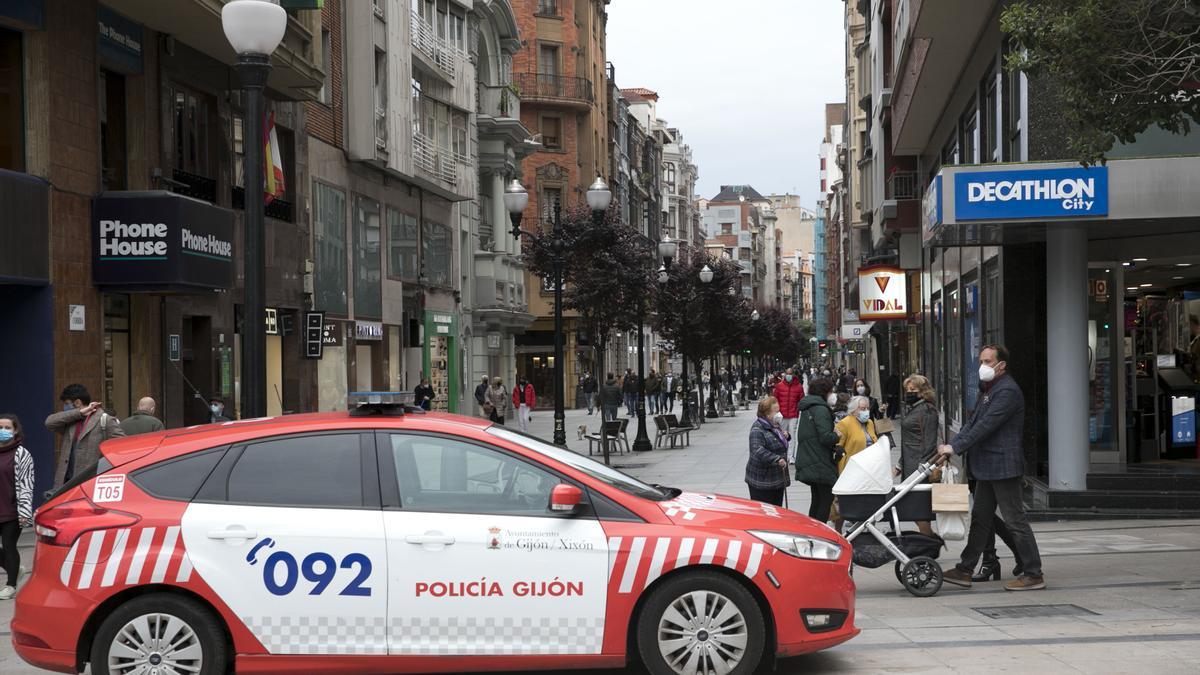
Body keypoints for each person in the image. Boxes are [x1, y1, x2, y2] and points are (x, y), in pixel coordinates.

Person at [938, 344, 1046, 591]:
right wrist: (952, 445)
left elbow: (986, 426)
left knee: (1015, 520)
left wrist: (956, 448)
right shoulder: (989, 389)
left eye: (988, 361)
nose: (982, 366)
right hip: (987, 465)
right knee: (980, 518)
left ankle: (1033, 572)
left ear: (1001, 365)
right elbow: (972, 422)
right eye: (981, 361)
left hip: (1003, 465)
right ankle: (965, 569)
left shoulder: (1007, 391)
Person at [45, 384, 125, 486]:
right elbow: (49, 422)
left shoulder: (104, 420)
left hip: (90, 482)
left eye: (67, 404)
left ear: (77, 402)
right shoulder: (70, 420)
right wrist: (79, 413)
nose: (64, 407)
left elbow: (122, 445)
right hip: (66, 483)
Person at [793, 378, 844, 523]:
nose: (832, 394)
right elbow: (825, 437)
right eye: (830, 391)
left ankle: (811, 529)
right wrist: (837, 435)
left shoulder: (808, 407)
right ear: (825, 392)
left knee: (817, 499)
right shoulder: (821, 409)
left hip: (810, 458)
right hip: (819, 460)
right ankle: (819, 531)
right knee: (825, 500)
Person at [898, 376, 940, 537]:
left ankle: (930, 542)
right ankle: (931, 541)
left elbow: (930, 441)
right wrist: (900, 464)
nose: (909, 393)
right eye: (907, 389)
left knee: (917, 509)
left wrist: (923, 468)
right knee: (914, 508)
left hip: (919, 467)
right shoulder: (915, 408)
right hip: (910, 464)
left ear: (923, 391)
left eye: (913, 390)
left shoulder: (927, 410)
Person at [832, 395, 879, 532]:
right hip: (851, 468)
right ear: (853, 410)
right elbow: (837, 446)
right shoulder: (845, 423)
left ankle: (868, 531)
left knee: (868, 501)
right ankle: (838, 531)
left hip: (869, 468)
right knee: (845, 502)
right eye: (862, 408)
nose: (866, 411)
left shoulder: (870, 423)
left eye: (867, 408)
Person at [0, 414, 34, 600]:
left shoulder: (21, 454)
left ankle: (11, 585)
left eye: (7, 428)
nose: (3, 431)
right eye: (0, 427)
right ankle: (15, 568)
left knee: (9, 545)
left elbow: (27, 484)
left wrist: (25, 512)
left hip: (13, 510)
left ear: (15, 431)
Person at [745, 397, 790, 506]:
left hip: (776, 477)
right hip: (762, 480)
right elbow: (757, 450)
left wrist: (786, 436)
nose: (779, 414)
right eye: (776, 411)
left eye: (779, 410)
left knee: (776, 509)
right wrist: (776, 459)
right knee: (765, 510)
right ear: (767, 414)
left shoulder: (774, 425)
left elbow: (778, 439)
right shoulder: (758, 429)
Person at [772, 368, 806, 460]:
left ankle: (791, 456)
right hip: (782, 415)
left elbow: (802, 400)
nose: (788, 375)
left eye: (790, 374)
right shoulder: (779, 386)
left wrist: (798, 408)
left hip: (793, 415)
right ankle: (784, 455)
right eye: (787, 374)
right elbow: (775, 399)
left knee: (792, 435)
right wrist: (776, 412)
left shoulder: (799, 387)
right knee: (782, 435)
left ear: (793, 375)